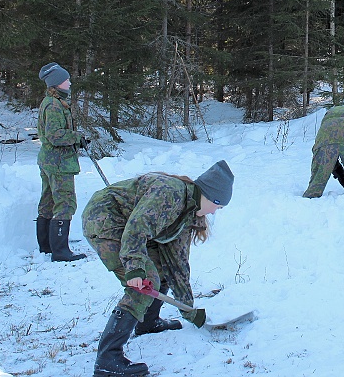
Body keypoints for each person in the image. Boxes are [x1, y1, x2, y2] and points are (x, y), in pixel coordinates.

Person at [82, 160, 234, 377]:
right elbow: (136, 228)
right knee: (145, 281)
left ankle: (148, 322)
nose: (214, 212)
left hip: (126, 226)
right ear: (210, 197)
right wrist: (135, 267)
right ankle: (108, 359)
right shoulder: (170, 194)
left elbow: (177, 264)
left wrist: (188, 310)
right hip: (104, 218)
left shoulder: (187, 214)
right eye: (218, 206)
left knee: (161, 267)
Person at [36, 62, 88, 262]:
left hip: (50, 160)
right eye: (67, 80)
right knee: (64, 202)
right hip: (59, 163)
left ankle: (47, 246)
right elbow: (55, 135)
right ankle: (60, 251)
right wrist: (76, 137)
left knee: (48, 201)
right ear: (57, 83)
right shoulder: (54, 105)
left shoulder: (52, 102)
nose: (70, 83)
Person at [303, 101, 344, 198]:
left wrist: (333, 167)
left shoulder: (332, 112)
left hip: (325, 138)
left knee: (320, 169)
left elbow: (323, 133)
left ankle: (311, 194)